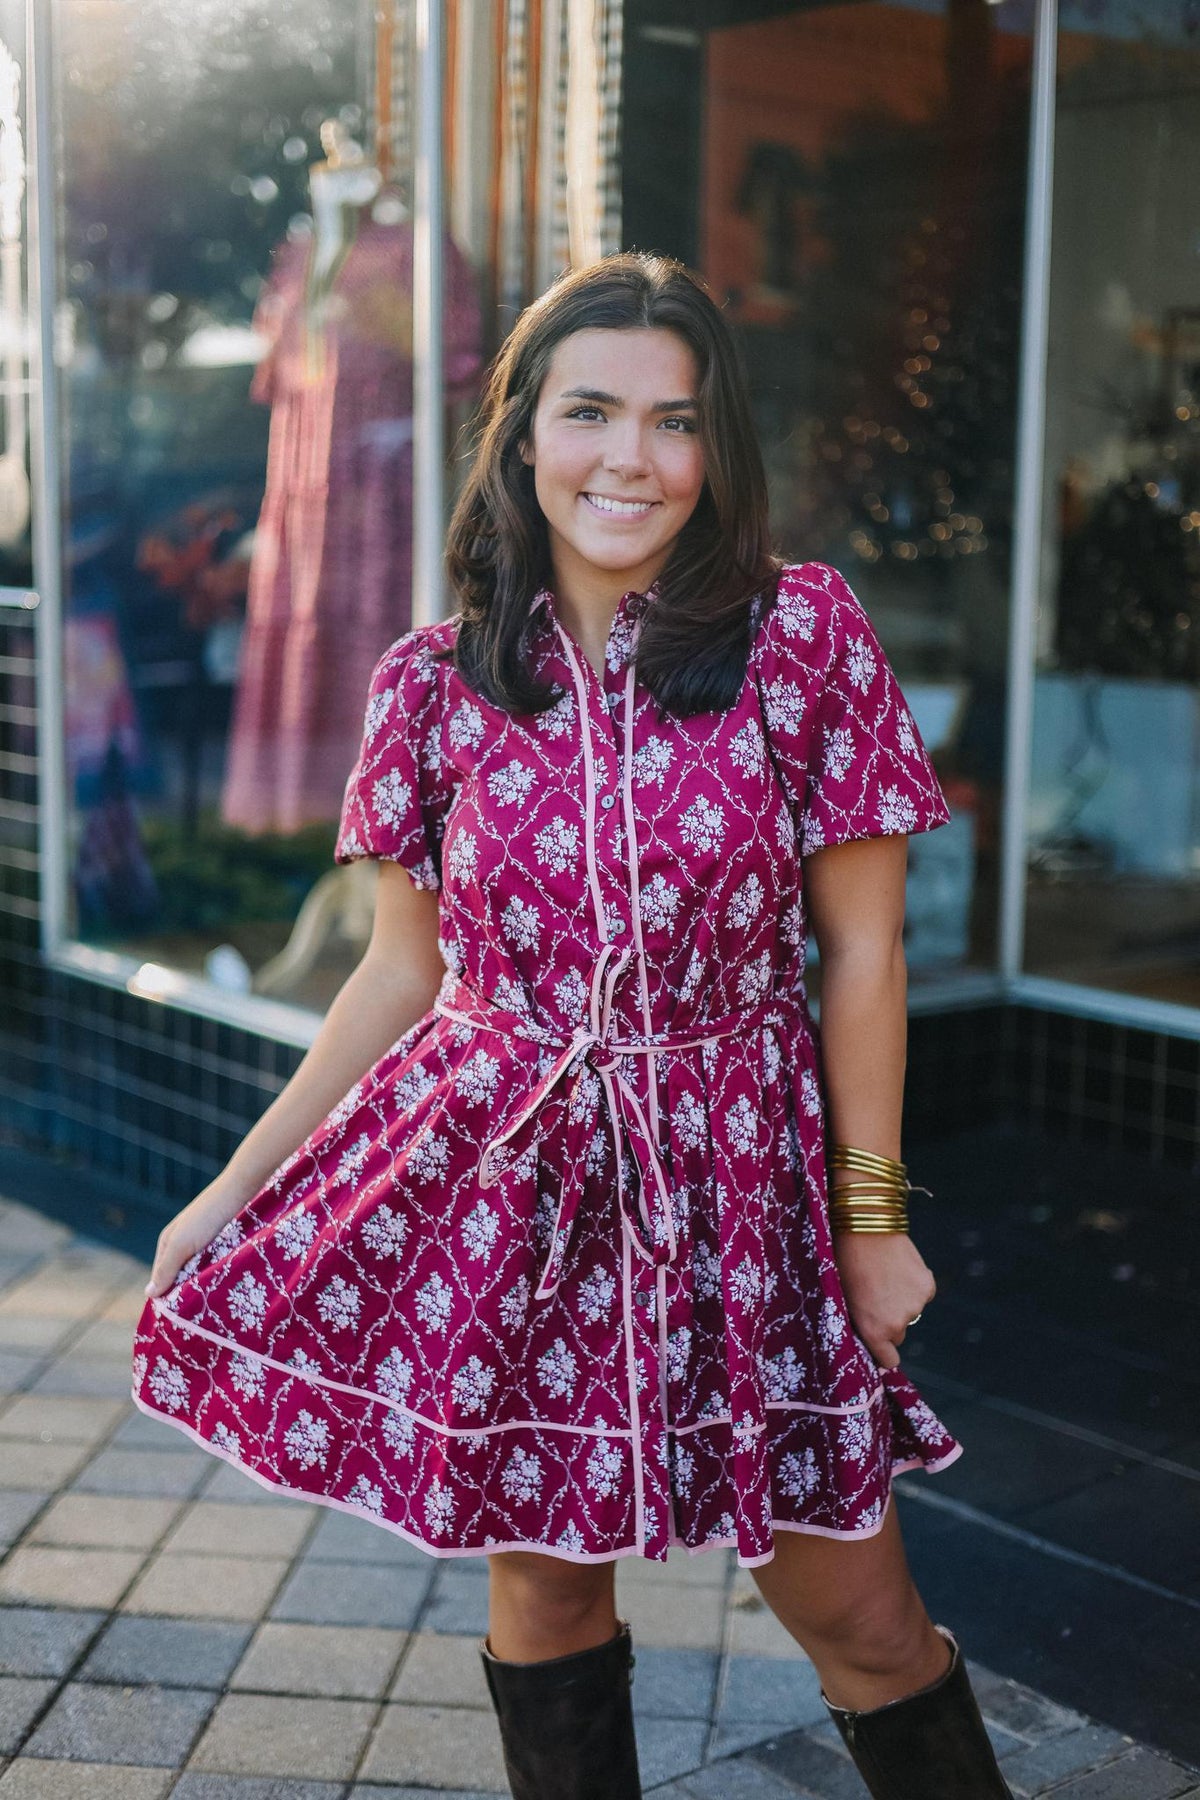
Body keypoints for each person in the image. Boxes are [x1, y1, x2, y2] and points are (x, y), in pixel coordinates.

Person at [133, 252, 1013, 1800]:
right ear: (523, 434)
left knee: (858, 1610)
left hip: (745, 1188)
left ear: (713, 450)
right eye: (591, 412)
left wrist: (871, 1219)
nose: (631, 457)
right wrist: (234, 1187)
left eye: (673, 424)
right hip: (514, 1194)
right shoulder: (432, 682)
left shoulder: (802, 637)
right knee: (546, 1590)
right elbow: (400, 978)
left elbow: (862, 952)